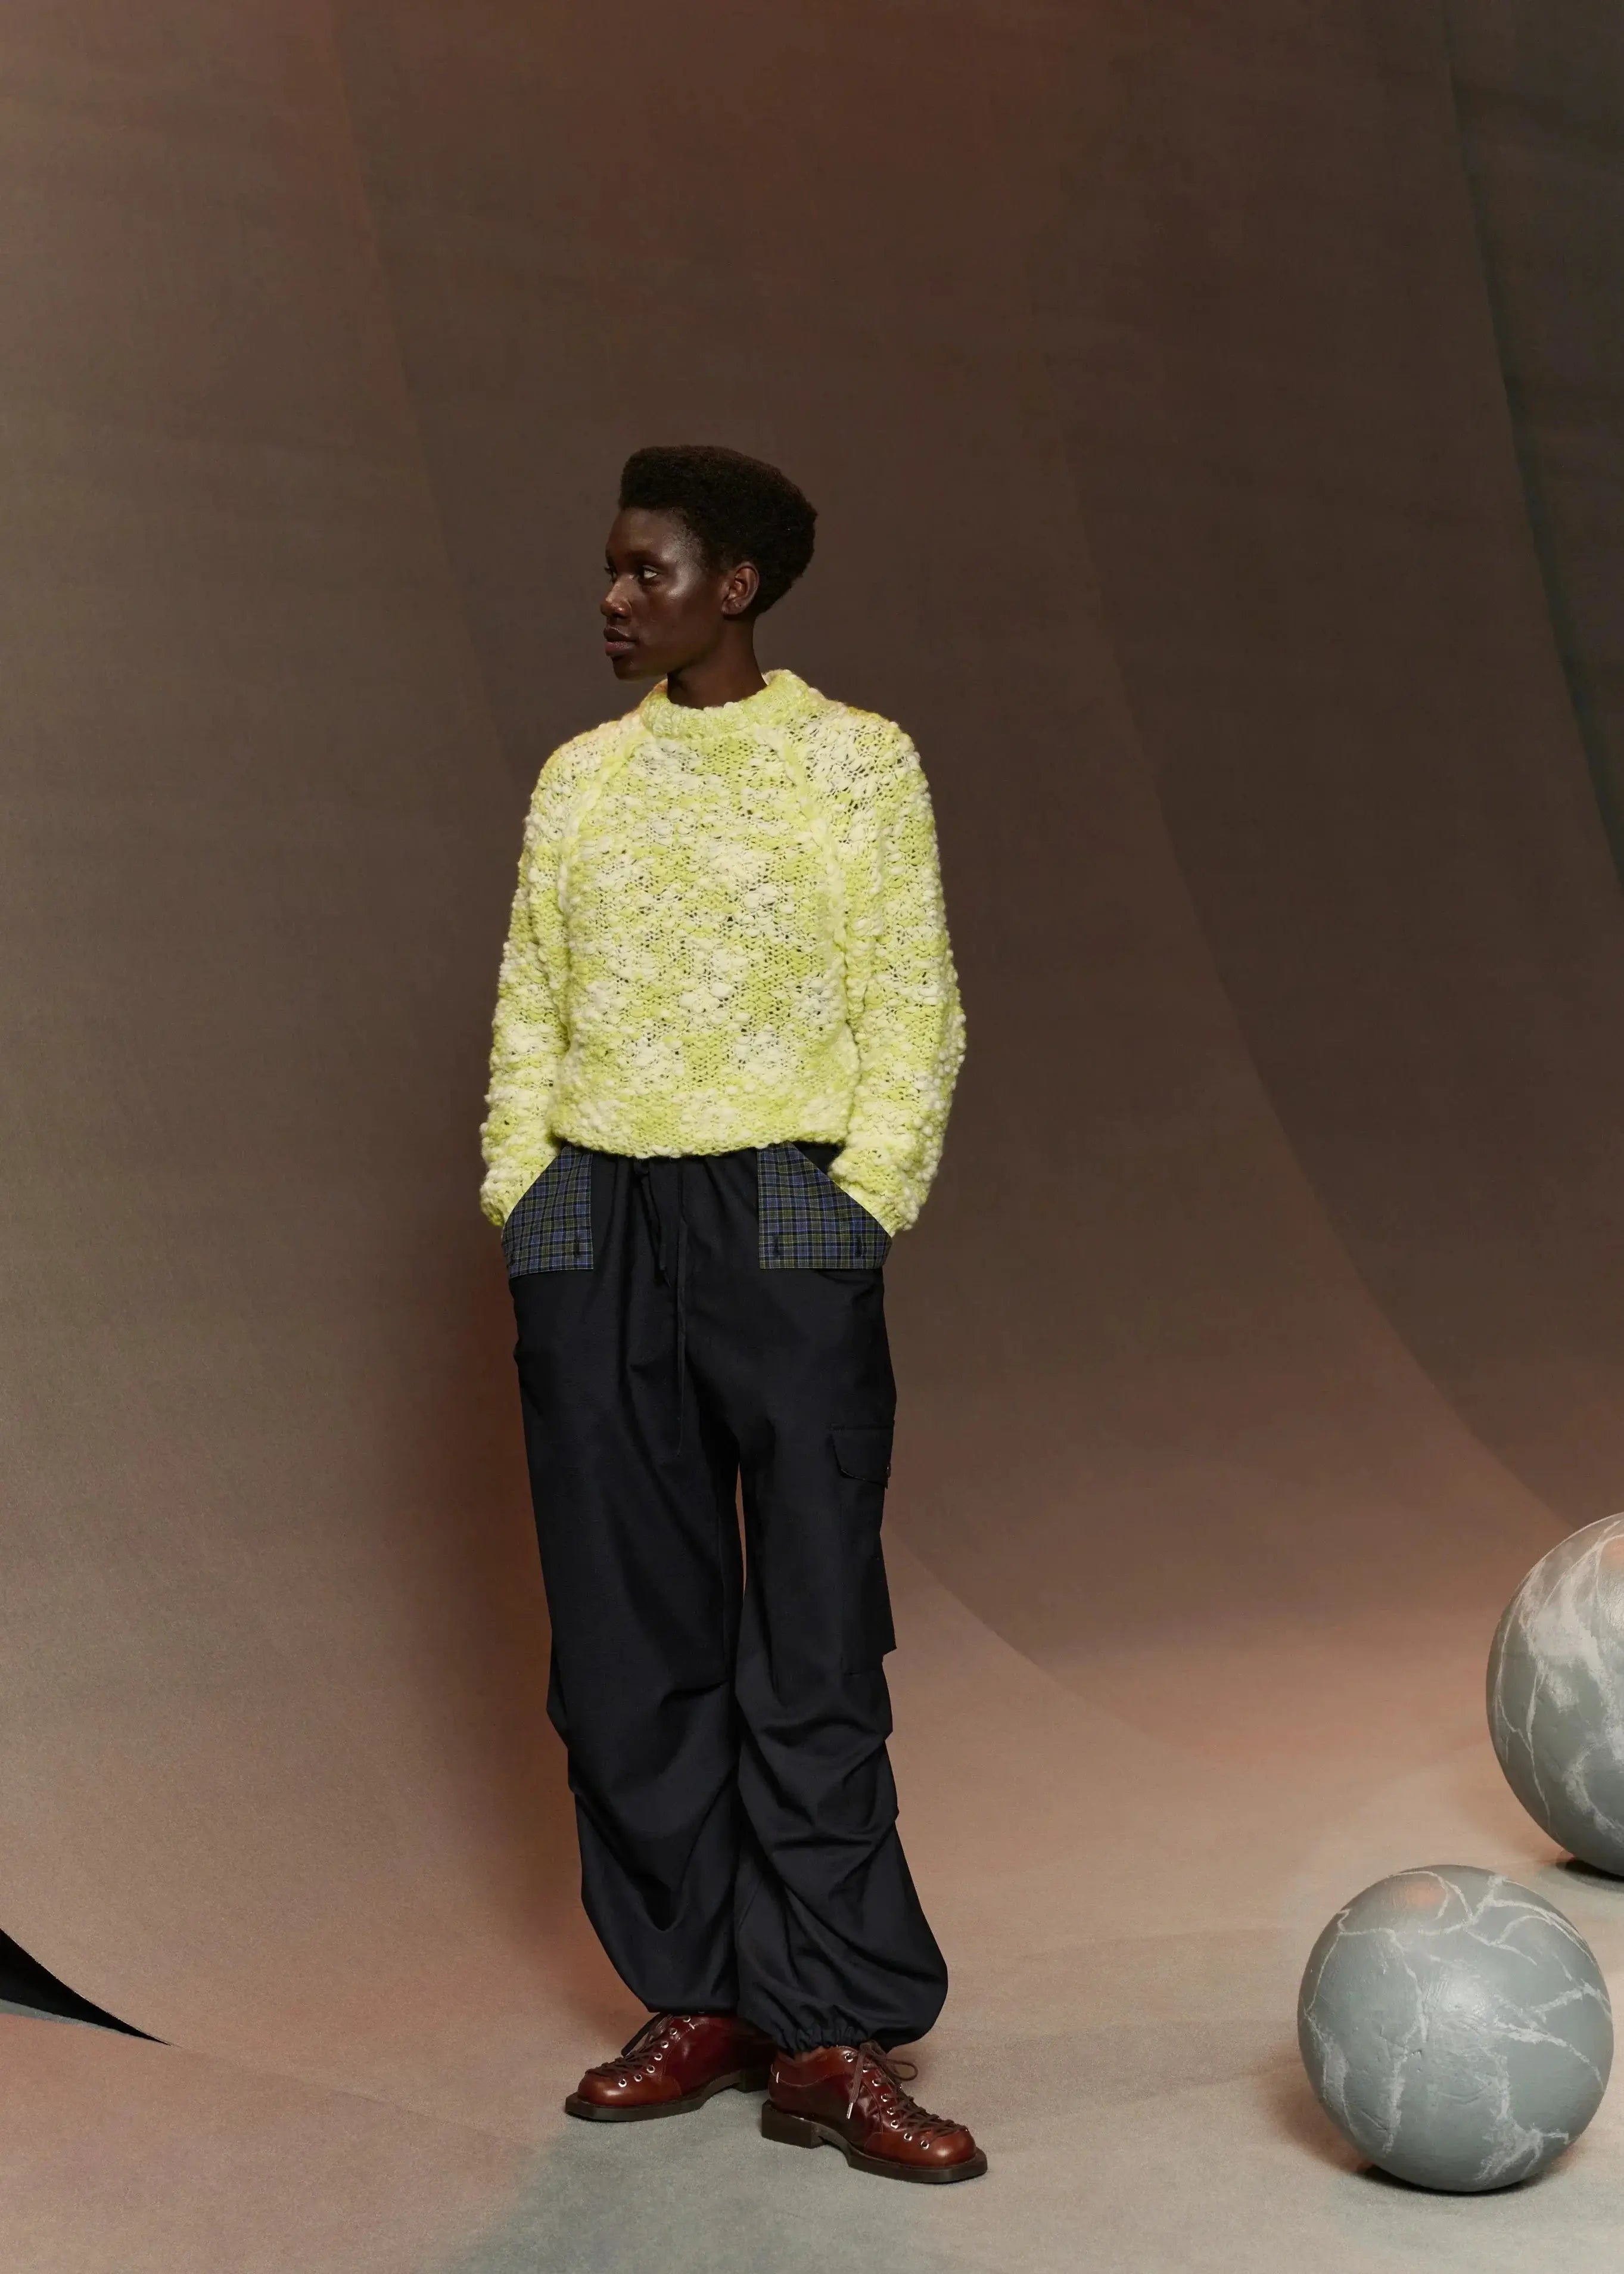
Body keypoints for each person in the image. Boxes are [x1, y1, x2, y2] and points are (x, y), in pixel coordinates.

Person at [480, 445, 982, 2183]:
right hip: (597, 1216)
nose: (615, 600)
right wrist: (530, 1203)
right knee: (627, 1638)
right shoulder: (580, 780)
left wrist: (856, 1205)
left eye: (651, 572)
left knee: (816, 1631)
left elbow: (913, 1004)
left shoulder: (858, 763)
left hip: (780, 1206)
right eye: (614, 570)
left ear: (738, 585)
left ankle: (833, 2028)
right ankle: (699, 1994)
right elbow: (531, 1003)